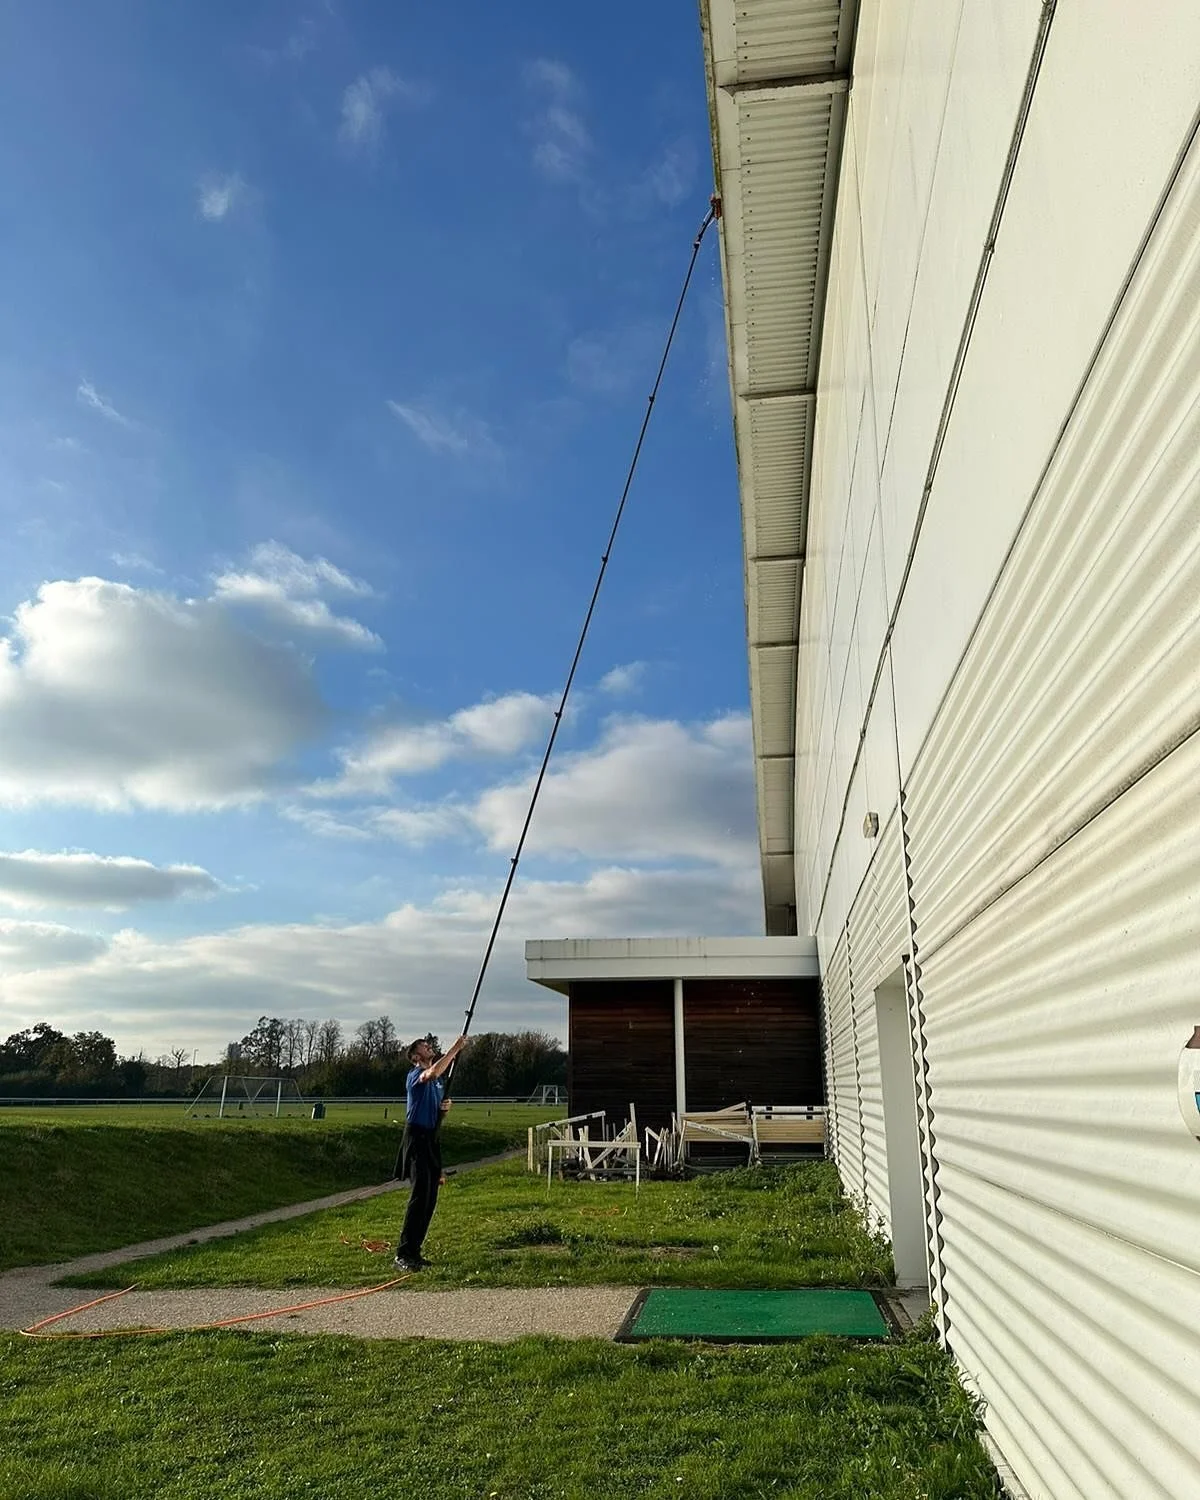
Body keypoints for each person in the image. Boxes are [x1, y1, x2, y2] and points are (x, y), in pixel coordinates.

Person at [394, 1033, 468, 1271]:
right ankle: (403, 1254)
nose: (429, 1046)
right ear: (416, 1057)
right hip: (416, 1138)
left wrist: (444, 1111)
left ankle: (415, 1251)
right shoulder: (416, 1075)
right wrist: (455, 1048)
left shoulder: (437, 1084)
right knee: (419, 1197)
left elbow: (436, 1113)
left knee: (429, 1199)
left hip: (431, 1139)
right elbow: (433, 1073)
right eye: (424, 1046)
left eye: (428, 1045)